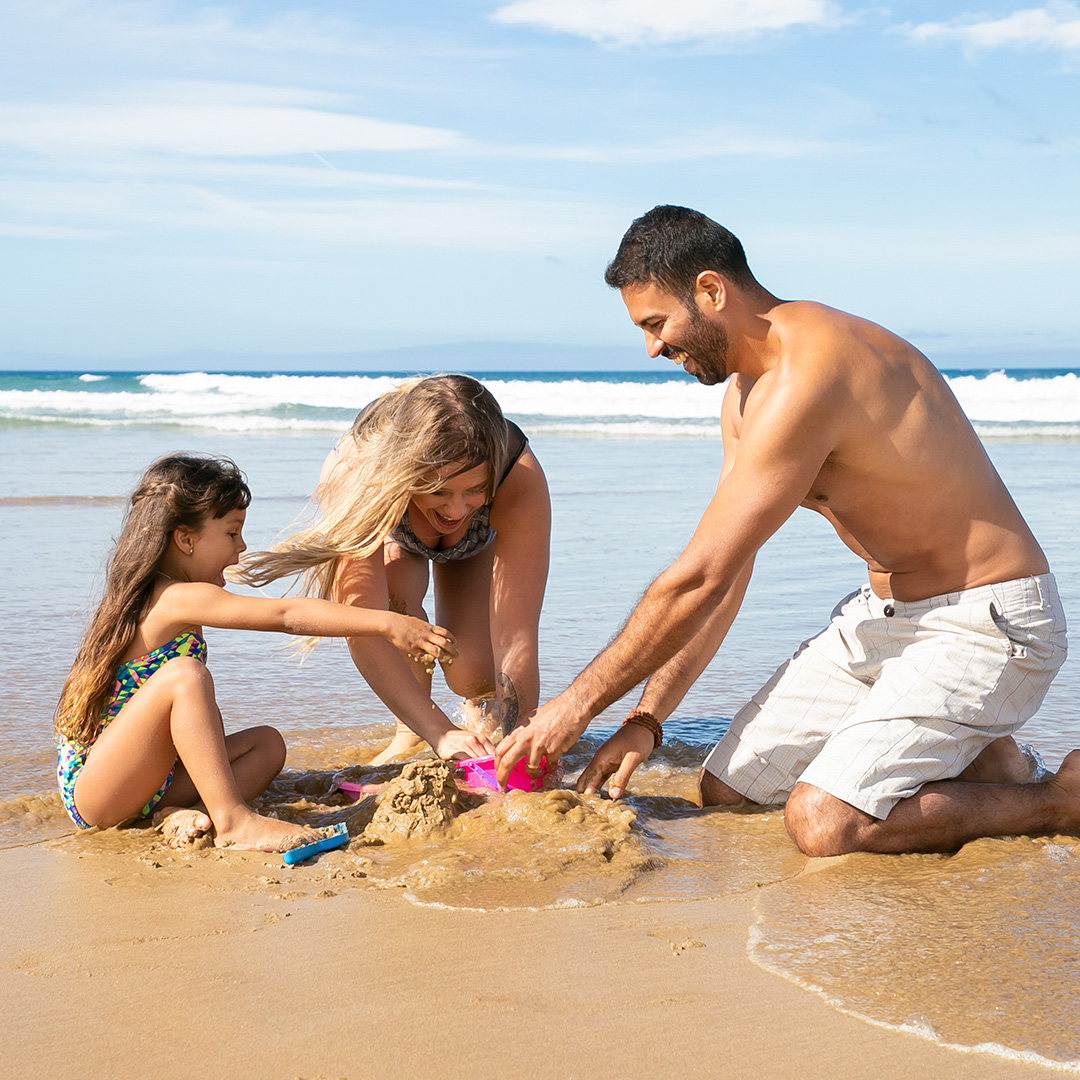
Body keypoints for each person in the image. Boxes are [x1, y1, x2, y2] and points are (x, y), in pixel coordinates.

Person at [496, 204, 1078, 857]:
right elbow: (724, 573)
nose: (652, 347)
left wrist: (573, 709)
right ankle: (984, 755)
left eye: (657, 324)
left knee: (823, 822)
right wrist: (645, 720)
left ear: (711, 291)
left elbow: (696, 578)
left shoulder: (815, 371)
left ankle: (1057, 800)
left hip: (989, 624)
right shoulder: (744, 398)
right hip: (888, 620)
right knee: (729, 790)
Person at [55, 453, 459, 853]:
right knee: (185, 675)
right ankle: (233, 821)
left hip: (148, 782)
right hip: (99, 790)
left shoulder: (171, 597)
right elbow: (285, 614)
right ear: (185, 539)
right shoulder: (174, 598)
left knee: (266, 746)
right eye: (232, 533)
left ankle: (180, 813)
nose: (242, 546)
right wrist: (386, 622)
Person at [241, 374, 550, 765]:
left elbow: (518, 635)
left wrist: (517, 743)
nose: (456, 510)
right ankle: (411, 734)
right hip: (392, 528)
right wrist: (439, 732)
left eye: (474, 490)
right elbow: (364, 629)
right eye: (438, 490)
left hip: (474, 544)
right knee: (396, 608)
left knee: (471, 673)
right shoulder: (357, 473)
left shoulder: (516, 473)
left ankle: (481, 718)